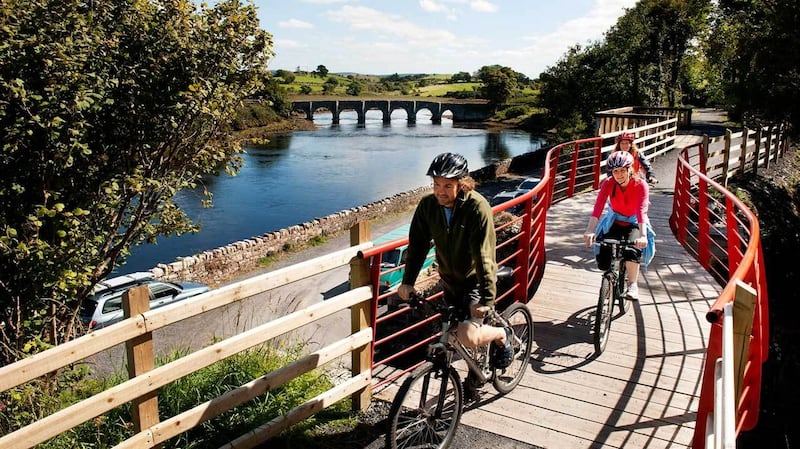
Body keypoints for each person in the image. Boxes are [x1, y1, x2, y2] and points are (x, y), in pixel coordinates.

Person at [397, 152, 513, 399]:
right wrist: (407, 282)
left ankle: (502, 335)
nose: (440, 191)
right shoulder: (428, 206)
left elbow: (484, 256)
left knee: (468, 336)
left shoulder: (476, 207)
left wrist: (487, 300)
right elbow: (417, 245)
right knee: (449, 335)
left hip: (474, 281)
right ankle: (474, 374)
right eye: (436, 184)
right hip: (450, 282)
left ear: (462, 183)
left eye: (447, 185)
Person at [583, 151, 655, 300]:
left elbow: (642, 211)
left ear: (630, 169)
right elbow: (598, 207)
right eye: (616, 171)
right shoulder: (608, 184)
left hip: (634, 221)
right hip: (614, 219)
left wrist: (642, 236)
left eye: (623, 170)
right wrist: (590, 230)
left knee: (632, 250)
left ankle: (632, 284)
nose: (619, 174)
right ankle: (609, 280)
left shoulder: (640, 185)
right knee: (603, 253)